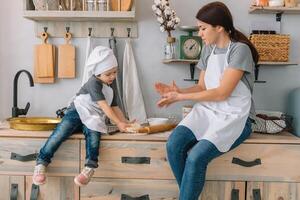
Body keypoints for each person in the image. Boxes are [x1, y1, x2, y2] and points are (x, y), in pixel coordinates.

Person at [155, 2, 258, 199]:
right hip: (209, 111)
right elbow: (202, 87)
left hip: (236, 117)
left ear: (218, 26)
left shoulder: (239, 50)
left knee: (195, 158)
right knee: (173, 145)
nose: (200, 33)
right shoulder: (207, 50)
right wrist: (178, 91)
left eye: (203, 28)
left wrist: (181, 97)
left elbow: (222, 93)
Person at [33, 46, 132, 187]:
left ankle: (89, 167)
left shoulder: (110, 89)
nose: (113, 76)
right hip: (77, 112)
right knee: (60, 133)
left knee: (93, 136)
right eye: (109, 74)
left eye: (115, 72)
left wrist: (125, 122)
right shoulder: (94, 83)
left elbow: (115, 108)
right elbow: (105, 106)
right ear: (97, 73)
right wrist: (119, 123)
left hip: (93, 116)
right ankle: (41, 163)